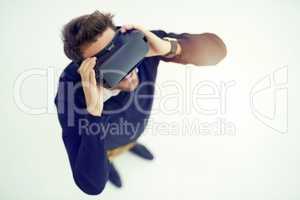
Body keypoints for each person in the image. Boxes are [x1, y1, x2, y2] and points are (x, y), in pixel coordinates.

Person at [54, 10, 227, 195]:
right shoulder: (70, 89)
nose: (127, 69)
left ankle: (132, 143)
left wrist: (169, 48)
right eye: (109, 63)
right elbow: (91, 184)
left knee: (133, 135)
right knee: (102, 158)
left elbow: (218, 51)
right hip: (105, 143)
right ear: (86, 69)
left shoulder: (141, 44)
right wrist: (94, 112)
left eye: (121, 51)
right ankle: (109, 161)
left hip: (137, 125)